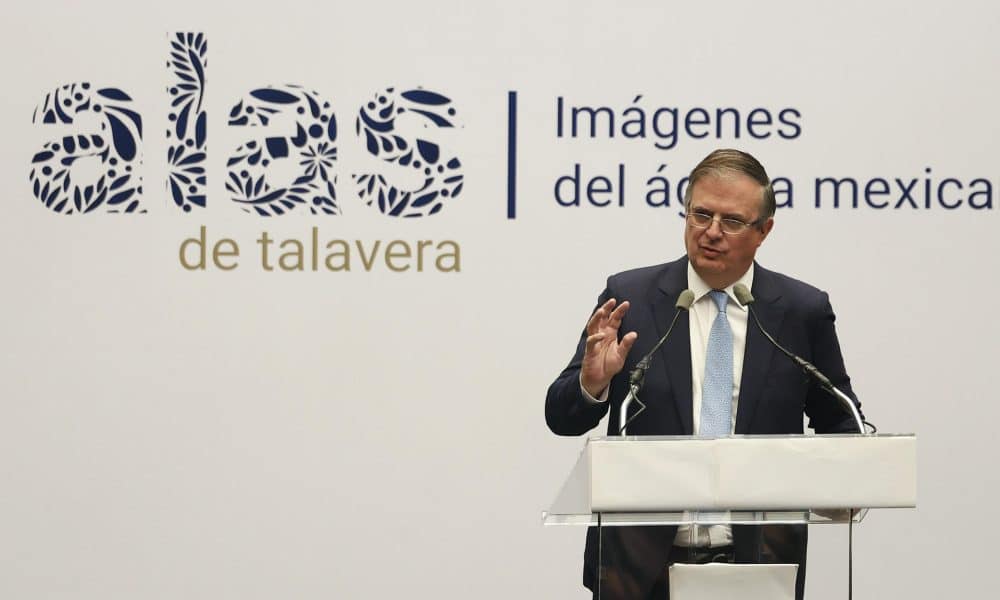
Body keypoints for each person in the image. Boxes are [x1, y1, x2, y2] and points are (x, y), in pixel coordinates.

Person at [545, 149, 864, 600]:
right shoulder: (631, 297)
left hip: (759, 568)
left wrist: (844, 473)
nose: (711, 232)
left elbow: (841, 421)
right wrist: (593, 383)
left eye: (731, 221)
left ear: (763, 231)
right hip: (638, 572)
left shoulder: (799, 312)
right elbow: (561, 416)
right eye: (700, 214)